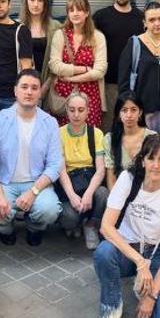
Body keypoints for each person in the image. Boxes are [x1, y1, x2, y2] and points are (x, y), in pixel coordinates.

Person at [94, 134, 160, 318]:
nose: (156, 165)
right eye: (151, 158)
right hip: (127, 250)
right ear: (142, 160)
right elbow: (106, 227)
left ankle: (146, 287)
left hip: (157, 252)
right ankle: (111, 307)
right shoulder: (128, 180)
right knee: (103, 252)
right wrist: (140, 263)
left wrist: (152, 297)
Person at [0, 70, 64, 246]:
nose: (29, 92)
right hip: (4, 183)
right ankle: (6, 229)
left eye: (34, 88)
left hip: (36, 183)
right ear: (15, 91)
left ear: (40, 92)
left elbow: (55, 165)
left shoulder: (49, 123)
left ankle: (34, 228)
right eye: (24, 87)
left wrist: (33, 192)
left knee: (48, 210)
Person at [116, 1, 160, 133]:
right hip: (141, 114)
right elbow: (123, 81)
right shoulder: (134, 44)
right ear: (145, 23)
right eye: (152, 20)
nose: (157, 23)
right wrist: (130, 109)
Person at [56, 94, 109, 249]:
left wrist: (88, 194)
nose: (76, 115)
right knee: (69, 217)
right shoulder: (59, 133)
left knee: (103, 194)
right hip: (69, 184)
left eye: (81, 110)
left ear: (88, 111)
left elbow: (100, 170)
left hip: (89, 180)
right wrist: (72, 196)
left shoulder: (96, 133)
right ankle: (74, 225)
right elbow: (61, 171)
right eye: (72, 110)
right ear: (66, 110)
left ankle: (91, 224)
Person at [93, 0, 145, 131]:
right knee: (109, 128)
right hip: (109, 85)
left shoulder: (141, 17)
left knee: (133, 129)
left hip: (135, 85)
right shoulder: (100, 17)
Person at [48, 0, 107, 128]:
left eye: (79, 10)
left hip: (90, 97)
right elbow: (55, 65)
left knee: (88, 136)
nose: (75, 14)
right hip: (63, 96)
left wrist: (71, 79)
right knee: (62, 136)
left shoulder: (97, 37)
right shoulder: (60, 35)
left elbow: (100, 71)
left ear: (87, 12)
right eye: (71, 10)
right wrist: (84, 69)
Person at [105, 92, 156, 189]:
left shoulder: (152, 137)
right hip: (120, 194)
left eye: (133, 110)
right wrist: (116, 202)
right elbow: (111, 179)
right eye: (124, 110)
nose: (129, 115)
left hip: (146, 192)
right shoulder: (110, 139)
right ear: (119, 114)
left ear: (140, 112)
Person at [21, 0, 60, 100]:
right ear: (26, 1)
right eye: (32, 0)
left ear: (45, 3)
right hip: (24, 88)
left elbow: (59, 60)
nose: (36, 4)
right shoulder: (18, 27)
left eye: (40, 0)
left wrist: (44, 88)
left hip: (49, 87)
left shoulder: (56, 27)